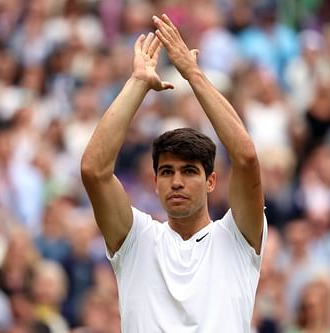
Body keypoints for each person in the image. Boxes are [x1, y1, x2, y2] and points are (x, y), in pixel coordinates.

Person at [81, 13, 267, 332]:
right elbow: (93, 170)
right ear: (154, 183)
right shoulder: (136, 239)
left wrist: (193, 74)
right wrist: (138, 82)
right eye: (166, 172)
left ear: (211, 181)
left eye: (189, 171)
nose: (177, 182)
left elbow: (246, 156)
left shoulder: (238, 238)